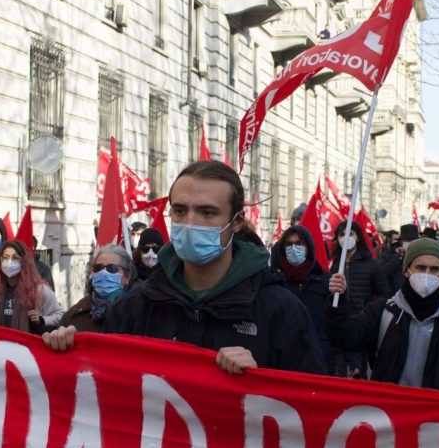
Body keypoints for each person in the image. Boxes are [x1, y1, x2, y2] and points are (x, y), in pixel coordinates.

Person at [43, 160, 325, 375]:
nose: (190, 222)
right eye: (180, 210)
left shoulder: (278, 310)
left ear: (237, 222)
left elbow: (312, 412)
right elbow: (103, 385)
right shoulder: (137, 306)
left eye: (207, 212)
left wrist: (261, 380)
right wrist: (69, 351)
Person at [326, 238, 439, 395]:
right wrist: (338, 300)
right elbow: (344, 336)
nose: (427, 274)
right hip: (387, 412)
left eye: (434, 269)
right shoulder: (382, 311)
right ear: (406, 270)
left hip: (434, 416)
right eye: (421, 268)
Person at [329, 219, 391, 377]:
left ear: (358, 238)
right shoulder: (335, 265)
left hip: (361, 326)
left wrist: (369, 310)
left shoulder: (372, 265)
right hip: (339, 325)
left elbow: (385, 294)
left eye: (350, 234)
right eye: (342, 234)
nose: (346, 237)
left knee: (358, 375)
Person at [273, 225, 333, 373]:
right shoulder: (275, 280)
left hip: (317, 357)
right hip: (282, 359)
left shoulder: (325, 280)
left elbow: (337, 323)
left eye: (299, 243)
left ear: (308, 248)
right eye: (289, 244)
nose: (293, 248)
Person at [47, 245, 136, 335]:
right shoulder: (74, 314)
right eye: (98, 268)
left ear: (127, 277)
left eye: (112, 268)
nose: (103, 273)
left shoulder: (138, 312)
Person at [0, 240, 64, 333]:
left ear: (23, 261)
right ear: (0, 260)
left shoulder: (39, 290)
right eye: (5, 257)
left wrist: (42, 320)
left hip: (26, 346)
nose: (9, 262)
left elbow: (60, 315)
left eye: (15, 258)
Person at [380, 224, 419, 294]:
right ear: (401, 241)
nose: (410, 242)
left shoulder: (421, 255)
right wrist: (398, 256)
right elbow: (382, 275)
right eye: (407, 240)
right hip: (393, 296)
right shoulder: (388, 254)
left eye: (413, 240)